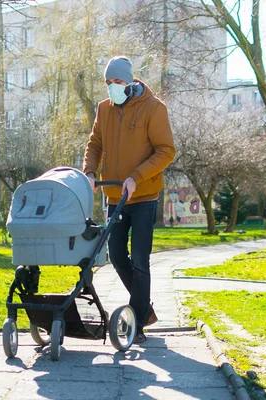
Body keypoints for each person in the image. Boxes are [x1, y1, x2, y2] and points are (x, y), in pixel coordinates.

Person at [83, 56, 176, 344]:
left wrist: (137, 176)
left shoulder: (154, 108)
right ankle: (144, 311)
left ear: (131, 81)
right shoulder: (104, 109)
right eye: (108, 83)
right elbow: (95, 143)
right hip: (114, 195)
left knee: (139, 260)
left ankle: (137, 322)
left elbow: (166, 150)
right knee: (117, 255)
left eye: (118, 82)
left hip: (144, 195)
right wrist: (88, 172)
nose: (112, 88)